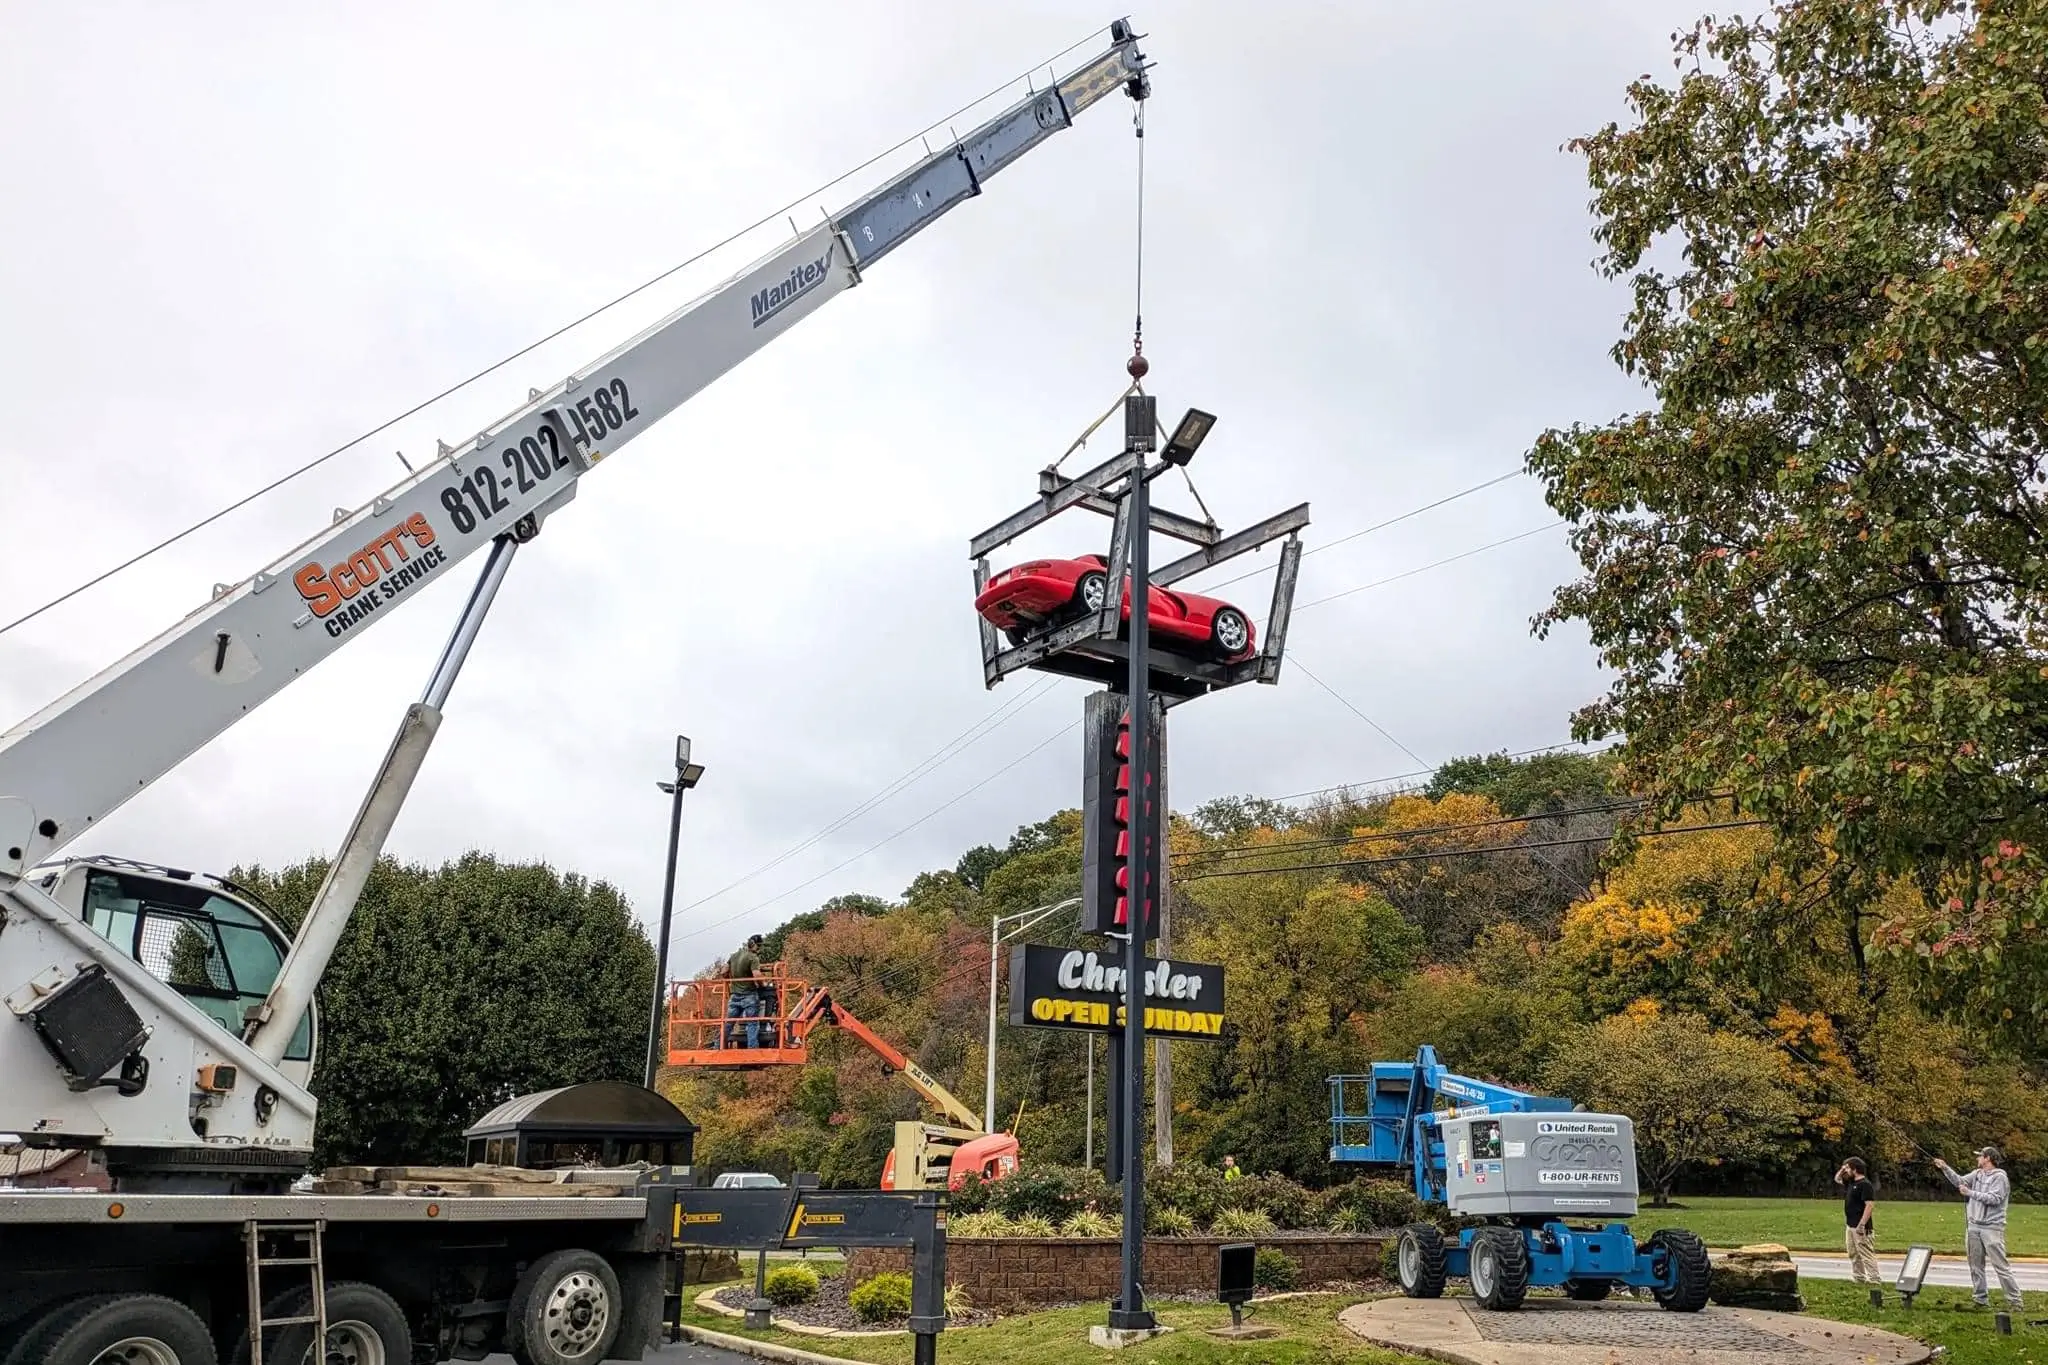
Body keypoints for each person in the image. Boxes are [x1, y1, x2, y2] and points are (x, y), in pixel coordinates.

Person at [1934, 1146, 2026, 1312]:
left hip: (1992, 1227)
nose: (1977, 1159)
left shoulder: (2000, 1178)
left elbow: (1994, 1199)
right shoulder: (1977, 1174)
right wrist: (1945, 1168)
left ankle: (2015, 1302)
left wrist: (1970, 1193)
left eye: (1980, 1156)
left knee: (2001, 1267)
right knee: (1975, 1266)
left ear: (1988, 1158)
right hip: (1973, 1226)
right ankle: (1980, 1300)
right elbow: (1959, 1181)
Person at [1832, 1156, 1879, 1284]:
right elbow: (1837, 1179)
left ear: (1855, 1169)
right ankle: (1859, 1278)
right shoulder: (1851, 1182)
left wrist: (1862, 1224)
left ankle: (1874, 1279)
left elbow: (1869, 1205)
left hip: (1860, 1226)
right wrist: (1843, 1169)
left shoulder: (1865, 1185)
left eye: (1848, 1168)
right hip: (1850, 1224)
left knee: (1865, 1253)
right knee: (1853, 1253)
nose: (1845, 1170)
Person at [725, 935, 766, 1049]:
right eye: (759, 946)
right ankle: (752, 1051)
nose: (759, 949)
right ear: (754, 945)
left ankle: (718, 1046)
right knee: (752, 1023)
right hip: (749, 995)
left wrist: (730, 981)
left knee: (728, 1023)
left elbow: (724, 971)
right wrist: (763, 985)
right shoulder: (753, 958)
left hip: (734, 996)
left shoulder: (734, 956)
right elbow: (757, 975)